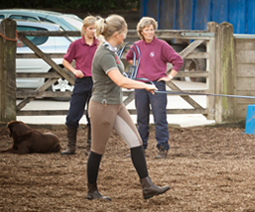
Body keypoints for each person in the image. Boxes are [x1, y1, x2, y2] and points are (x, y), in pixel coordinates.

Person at [86, 14, 169, 201]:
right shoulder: (105, 54)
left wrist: (146, 84)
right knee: (97, 150)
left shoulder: (112, 51)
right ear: (117, 34)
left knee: (136, 141)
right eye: (124, 32)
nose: (126, 35)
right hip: (103, 107)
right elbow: (121, 81)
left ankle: (147, 186)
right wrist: (146, 85)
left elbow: (123, 79)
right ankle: (92, 191)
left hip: (116, 105)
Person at [126, 17, 183, 159]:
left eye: (152, 29)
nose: (150, 32)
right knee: (141, 118)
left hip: (156, 84)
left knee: (159, 117)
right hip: (140, 84)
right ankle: (140, 147)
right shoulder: (137, 46)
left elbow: (178, 60)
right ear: (141, 31)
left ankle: (162, 147)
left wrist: (169, 76)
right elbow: (129, 57)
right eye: (147, 30)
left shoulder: (162, 45)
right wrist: (139, 68)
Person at [61, 16, 98, 155]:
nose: (93, 31)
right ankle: (71, 147)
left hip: (96, 84)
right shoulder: (76, 44)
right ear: (84, 29)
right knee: (72, 116)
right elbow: (65, 61)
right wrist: (75, 70)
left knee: (92, 117)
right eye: (90, 28)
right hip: (81, 83)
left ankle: (91, 148)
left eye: (95, 29)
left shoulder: (100, 44)